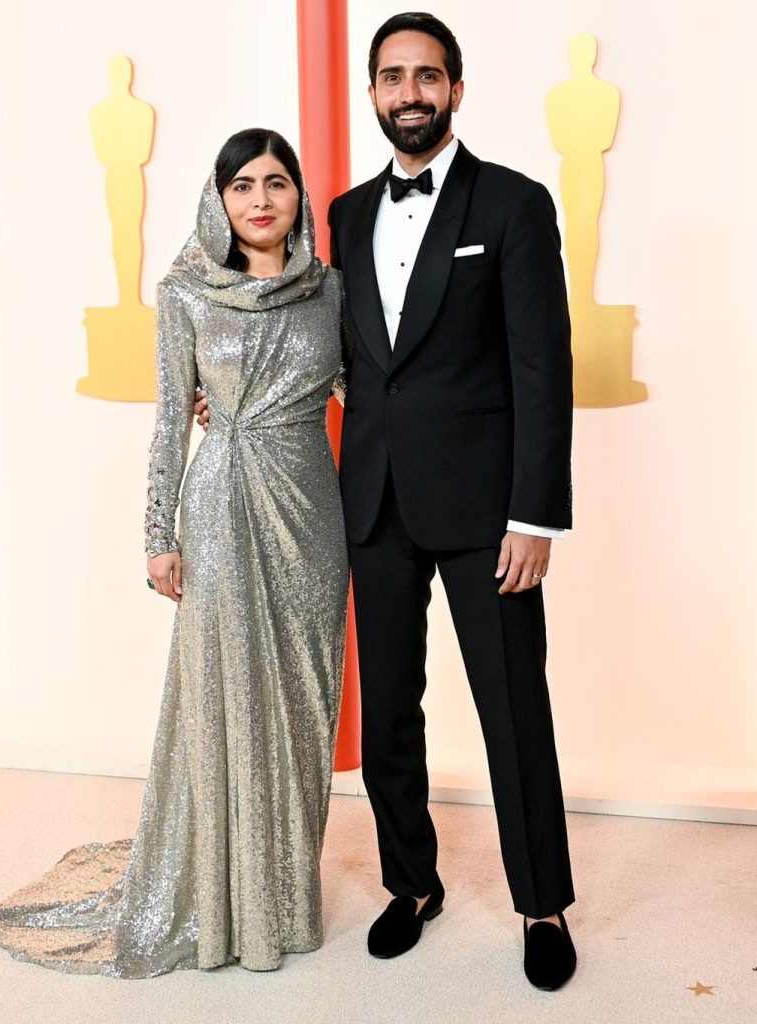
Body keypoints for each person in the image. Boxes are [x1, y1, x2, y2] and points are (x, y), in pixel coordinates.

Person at [197, 11, 579, 991]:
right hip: (367, 499)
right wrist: (227, 380)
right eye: (391, 76)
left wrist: (533, 513)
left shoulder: (514, 206)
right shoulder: (347, 213)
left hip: (488, 511)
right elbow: (328, 347)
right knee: (389, 716)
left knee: (513, 706)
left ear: (454, 88)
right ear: (373, 93)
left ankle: (541, 903)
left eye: (426, 75)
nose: (408, 91)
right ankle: (412, 884)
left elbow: (542, 367)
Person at [0, 129, 349, 976]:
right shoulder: (183, 293)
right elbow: (169, 418)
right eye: (242, 185)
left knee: (300, 703)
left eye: (278, 183)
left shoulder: (331, 293)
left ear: (299, 197)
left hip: (311, 515)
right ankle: (223, 904)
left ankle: (285, 897)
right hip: (218, 505)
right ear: (216, 199)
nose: (261, 199)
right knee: (224, 695)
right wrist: (157, 535)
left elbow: (365, 399)